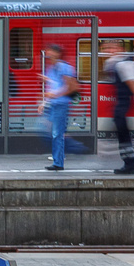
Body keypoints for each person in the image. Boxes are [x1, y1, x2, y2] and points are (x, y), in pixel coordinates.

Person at [104, 40, 134, 175]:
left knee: (123, 134)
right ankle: (129, 163)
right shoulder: (119, 62)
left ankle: (130, 164)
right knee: (123, 133)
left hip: (123, 103)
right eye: (107, 49)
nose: (109, 51)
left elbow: (132, 82)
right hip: (122, 103)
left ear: (119, 48)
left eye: (111, 48)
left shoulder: (122, 63)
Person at [42, 44, 80, 172]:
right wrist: (44, 103)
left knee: (57, 133)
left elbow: (71, 87)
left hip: (61, 105)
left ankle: (59, 162)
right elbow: (52, 86)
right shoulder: (51, 69)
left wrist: (55, 94)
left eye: (51, 52)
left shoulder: (64, 67)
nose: (48, 54)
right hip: (53, 104)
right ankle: (58, 159)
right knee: (53, 133)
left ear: (57, 53)